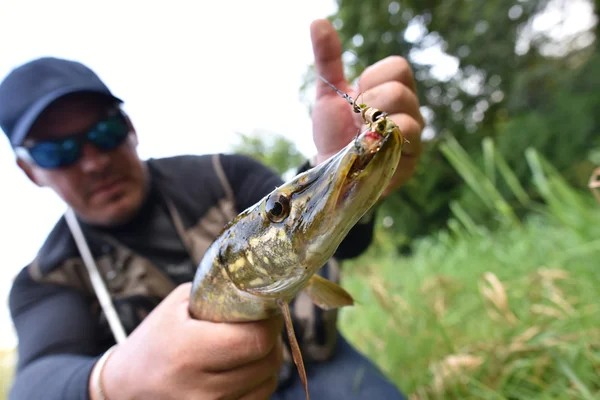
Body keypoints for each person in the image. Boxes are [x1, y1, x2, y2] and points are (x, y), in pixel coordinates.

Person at [0, 19, 424, 400]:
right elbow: (34, 383)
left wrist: (340, 169)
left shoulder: (224, 175)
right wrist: (110, 382)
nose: (93, 160)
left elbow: (328, 240)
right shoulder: (44, 279)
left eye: (104, 130)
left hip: (314, 369)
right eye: (59, 151)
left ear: (129, 127)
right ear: (30, 171)